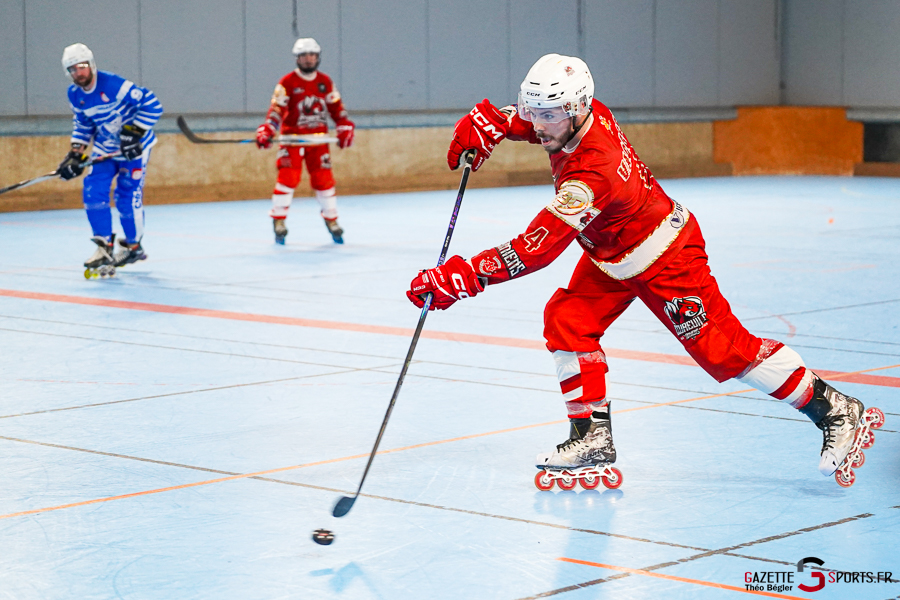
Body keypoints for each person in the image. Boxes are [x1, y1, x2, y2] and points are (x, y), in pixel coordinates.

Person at [406, 54, 883, 489]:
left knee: (724, 352)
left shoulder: (594, 171)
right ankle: (590, 435)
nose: (538, 123)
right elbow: (534, 123)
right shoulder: (577, 116)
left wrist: (463, 276)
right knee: (569, 321)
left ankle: (835, 409)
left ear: (576, 109)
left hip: (666, 259)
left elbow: (538, 247)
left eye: (546, 114)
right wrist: (496, 121)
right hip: (611, 256)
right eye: (533, 111)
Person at [58, 43, 163, 275]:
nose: (79, 73)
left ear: (92, 65)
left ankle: (133, 246)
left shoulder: (114, 84)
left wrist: (134, 131)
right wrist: (75, 153)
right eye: (73, 69)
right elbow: (83, 124)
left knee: (126, 195)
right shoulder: (75, 95)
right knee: (93, 189)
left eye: (82, 66)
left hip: (134, 150)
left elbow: (153, 105)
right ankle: (104, 245)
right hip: (105, 150)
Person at [256, 37, 355, 245]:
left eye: (312, 55)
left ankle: (332, 220)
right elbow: (276, 110)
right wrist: (268, 128)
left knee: (324, 180)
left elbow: (337, 108)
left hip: (318, 141)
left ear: (318, 57)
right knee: (287, 178)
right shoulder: (287, 82)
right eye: (304, 56)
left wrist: (344, 124)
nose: (308, 59)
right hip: (292, 140)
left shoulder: (325, 82)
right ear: (297, 58)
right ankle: (279, 220)